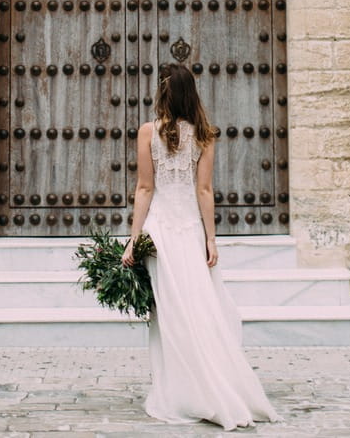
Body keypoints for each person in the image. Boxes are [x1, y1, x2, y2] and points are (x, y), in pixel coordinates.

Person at [121, 62, 282, 431]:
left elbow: (145, 189)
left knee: (170, 314)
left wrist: (133, 238)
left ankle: (179, 389)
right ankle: (209, 384)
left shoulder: (148, 132)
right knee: (200, 308)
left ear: (162, 92)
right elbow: (204, 191)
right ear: (191, 93)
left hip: (161, 231)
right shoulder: (205, 135)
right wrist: (210, 238)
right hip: (189, 231)